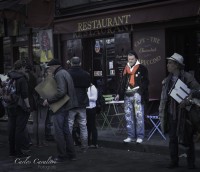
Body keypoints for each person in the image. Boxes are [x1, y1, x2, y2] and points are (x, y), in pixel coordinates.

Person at [159, 53, 200, 169]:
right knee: (172, 139)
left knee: (188, 139)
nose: (168, 65)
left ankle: (191, 163)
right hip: (172, 114)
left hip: (185, 114)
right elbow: (164, 99)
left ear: (177, 65)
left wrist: (187, 101)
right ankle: (174, 161)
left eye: (170, 63)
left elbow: (198, 91)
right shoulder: (167, 80)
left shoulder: (187, 77)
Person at [42, 59, 78, 163]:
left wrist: (49, 100)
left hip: (60, 107)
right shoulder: (65, 72)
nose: (50, 69)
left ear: (54, 66)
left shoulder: (59, 74)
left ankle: (62, 155)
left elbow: (61, 92)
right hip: (66, 105)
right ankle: (71, 154)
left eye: (50, 67)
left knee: (59, 132)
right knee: (66, 131)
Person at [115, 50, 149, 144]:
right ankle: (131, 136)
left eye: (132, 59)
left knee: (139, 116)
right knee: (128, 116)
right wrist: (118, 93)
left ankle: (140, 136)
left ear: (136, 58)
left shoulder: (142, 68)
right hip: (127, 95)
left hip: (138, 95)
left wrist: (140, 91)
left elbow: (146, 82)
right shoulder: (125, 68)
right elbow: (122, 82)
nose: (130, 61)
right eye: (129, 59)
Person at [3, 60, 31, 157]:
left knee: (11, 129)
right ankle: (19, 152)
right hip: (20, 106)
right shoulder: (22, 78)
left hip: (10, 105)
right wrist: (28, 106)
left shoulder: (9, 76)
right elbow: (24, 95)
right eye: (24, 67)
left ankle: (12, 151)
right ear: (22, 68)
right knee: (20, 130)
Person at [67, 56, 91, 152]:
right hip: (82, 102)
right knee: (83, 125)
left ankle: (69, 146)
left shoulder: (67, 73)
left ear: (71, 63)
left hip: (71, 102)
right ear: (80, 63)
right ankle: (84, 146)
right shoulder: (86, 74)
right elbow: (87, 85)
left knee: (69, 125)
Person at [86, 83, 98, 148]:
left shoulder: (92, 87)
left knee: (92, 126)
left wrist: (86, 97)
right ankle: (87, 142)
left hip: (91, 108)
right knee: (88, 126)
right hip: (87, 108)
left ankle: (94, 143)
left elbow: (95, 98)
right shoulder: (87, 87)